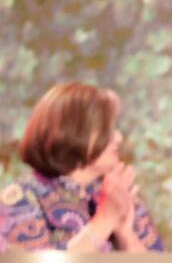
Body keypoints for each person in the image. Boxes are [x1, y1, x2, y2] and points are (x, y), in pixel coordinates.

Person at [1, 81, 163, 252]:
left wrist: (126, 235)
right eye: (105, 130)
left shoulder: (119, 196)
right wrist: (105, 221)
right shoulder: (22, 200)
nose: (118, 137)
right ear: (70, 131)